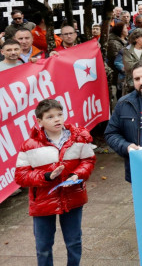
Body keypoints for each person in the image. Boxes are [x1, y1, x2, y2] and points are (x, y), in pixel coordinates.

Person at [15, 99, 95, 266]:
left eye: (59, 115)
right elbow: (21, 176)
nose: (57, 119)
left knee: (74, 242)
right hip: (42, 201)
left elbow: (88, 160)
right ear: (39, 121)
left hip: (73, 197)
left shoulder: (78, 138)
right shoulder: (29, 145)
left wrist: (76, 174)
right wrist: (46, 176)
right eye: (50, 117)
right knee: (43, 246)